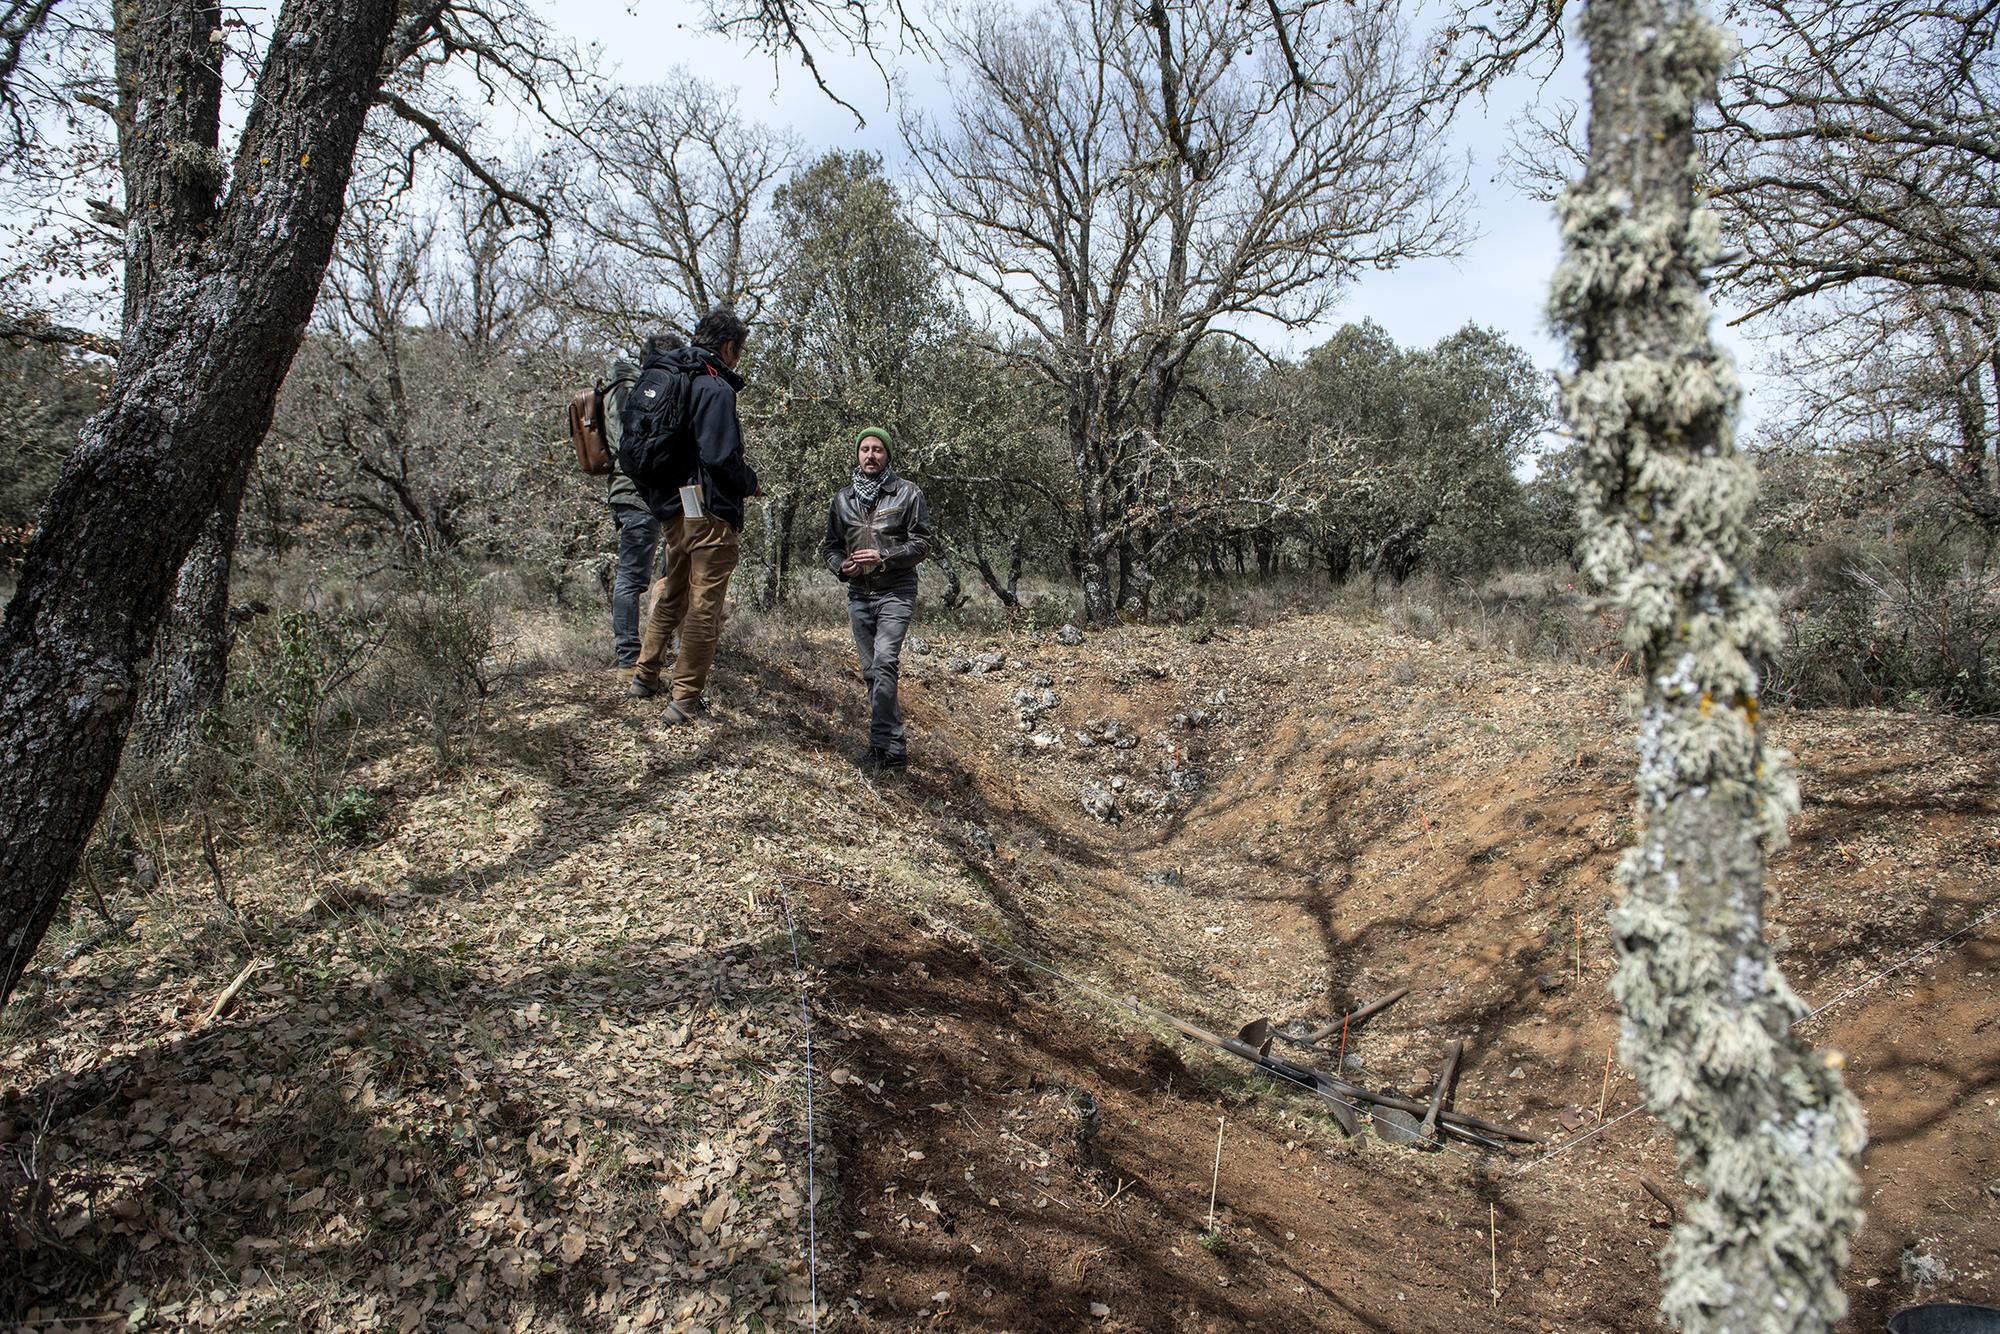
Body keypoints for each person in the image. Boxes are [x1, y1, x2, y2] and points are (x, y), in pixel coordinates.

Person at [627, 308, 760, 724]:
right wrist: (750, 481)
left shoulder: (676, 377)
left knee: (673, 591)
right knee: (705, 606)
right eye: (739, 350)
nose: (738, 358)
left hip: (674, 509)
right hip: (710, 513)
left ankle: (644, 676)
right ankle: (684, 699)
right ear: (728, 347)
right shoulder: (714, 388)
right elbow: (721, 457)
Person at [821, 425, 934, 770]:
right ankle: (891, 747)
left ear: (887, 455)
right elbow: (830, 547)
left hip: (896, 592)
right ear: (858, 454)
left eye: (877, 449)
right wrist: (843, 566)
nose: (870, 455)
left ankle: (883, 747)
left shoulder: (907, 493)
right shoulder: (843, 499)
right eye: (865, 449)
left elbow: (922, 543)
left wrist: (883, 557)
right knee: (872, 672)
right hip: (859, 594)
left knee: (885, 663)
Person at [602, 333, 681, 668]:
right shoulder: (629, 390)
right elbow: (630, 446)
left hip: (643, 494)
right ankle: (629, 654)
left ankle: (655, 648)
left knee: (664, 572)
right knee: (632, 577)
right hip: (635, 495)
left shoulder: (628, 388)